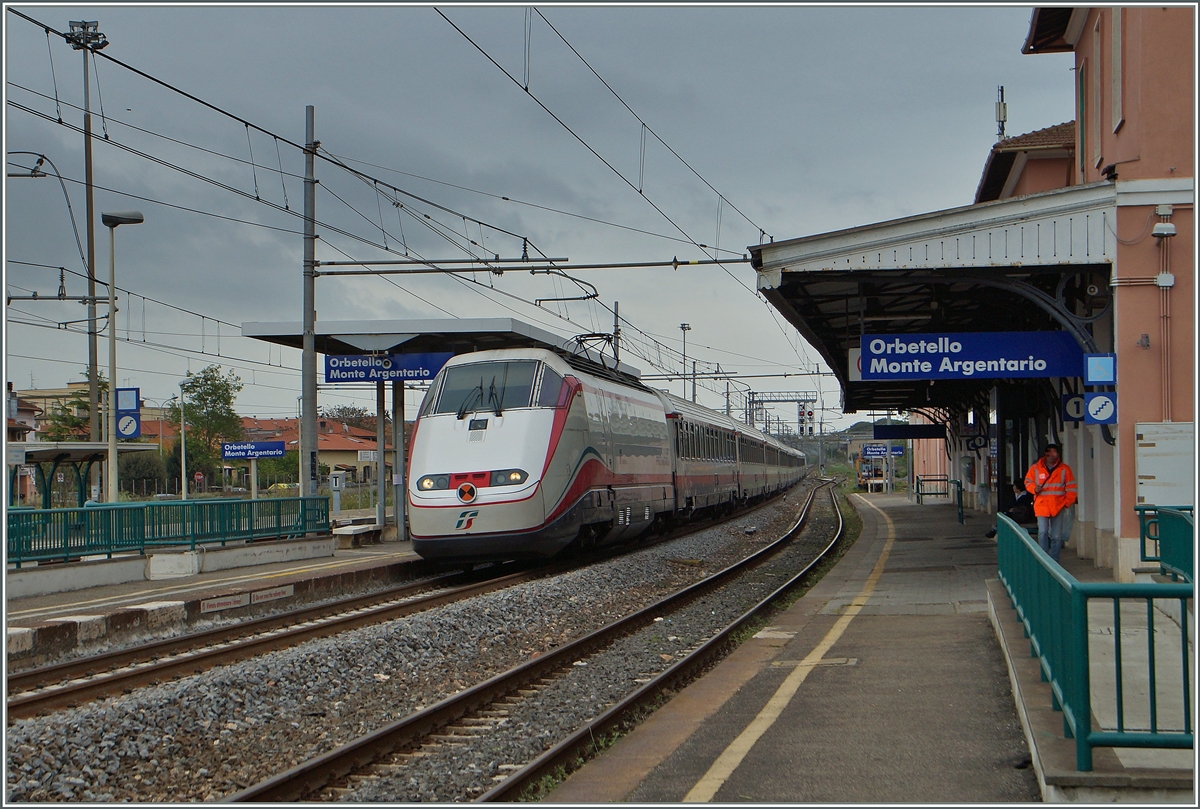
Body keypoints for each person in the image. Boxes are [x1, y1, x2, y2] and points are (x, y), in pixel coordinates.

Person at [1023, 443, 1077, 562]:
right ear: (1045, 454)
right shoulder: (1035, 468)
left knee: (1056, 536)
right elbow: (1027, 482)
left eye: (1054, 452)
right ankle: (1044, 560)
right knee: (1042, 532)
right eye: (1049, 452)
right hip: (1042, 506)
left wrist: (1066, 503)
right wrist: (1033, 488)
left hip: (1058, 506)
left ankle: (1054, 561)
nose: (1052, 455)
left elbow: (1071, 488)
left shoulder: (1064, 469)